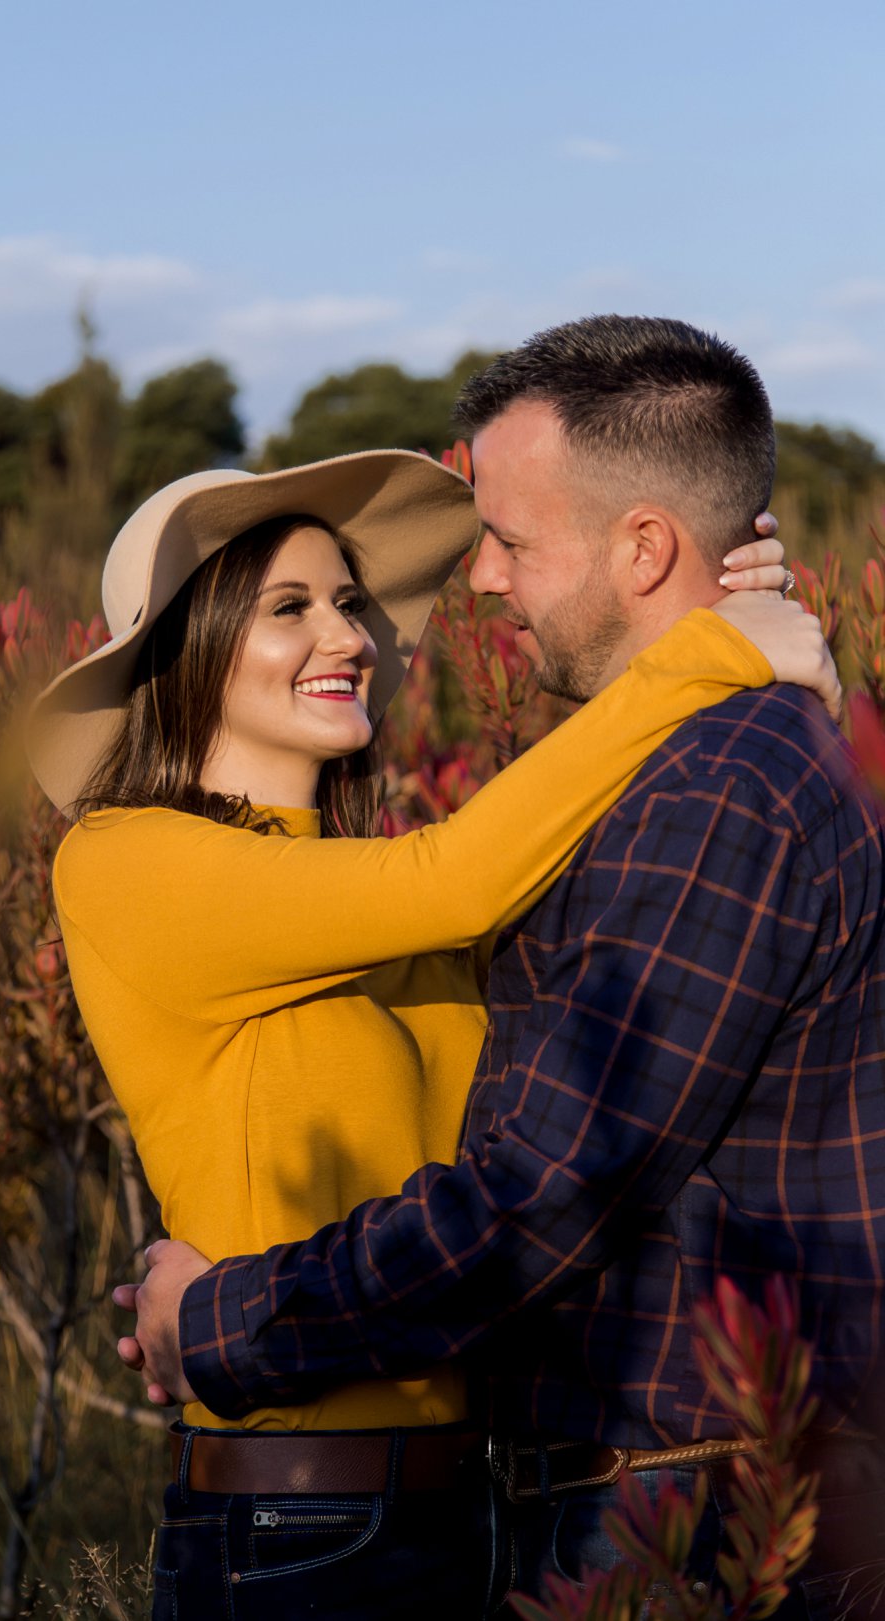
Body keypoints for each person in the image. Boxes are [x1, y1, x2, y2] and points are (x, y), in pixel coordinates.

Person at [120, 317, 885, 1621]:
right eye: (288, 604)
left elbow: (534, 1197)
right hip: (505, 1507)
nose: (477, 581)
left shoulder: (715, 790)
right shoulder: (149, 862)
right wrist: (730, 635)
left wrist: (224, 1324)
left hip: (682, 1513)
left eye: (511, 541)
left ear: (643, 546)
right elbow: (468, 892)